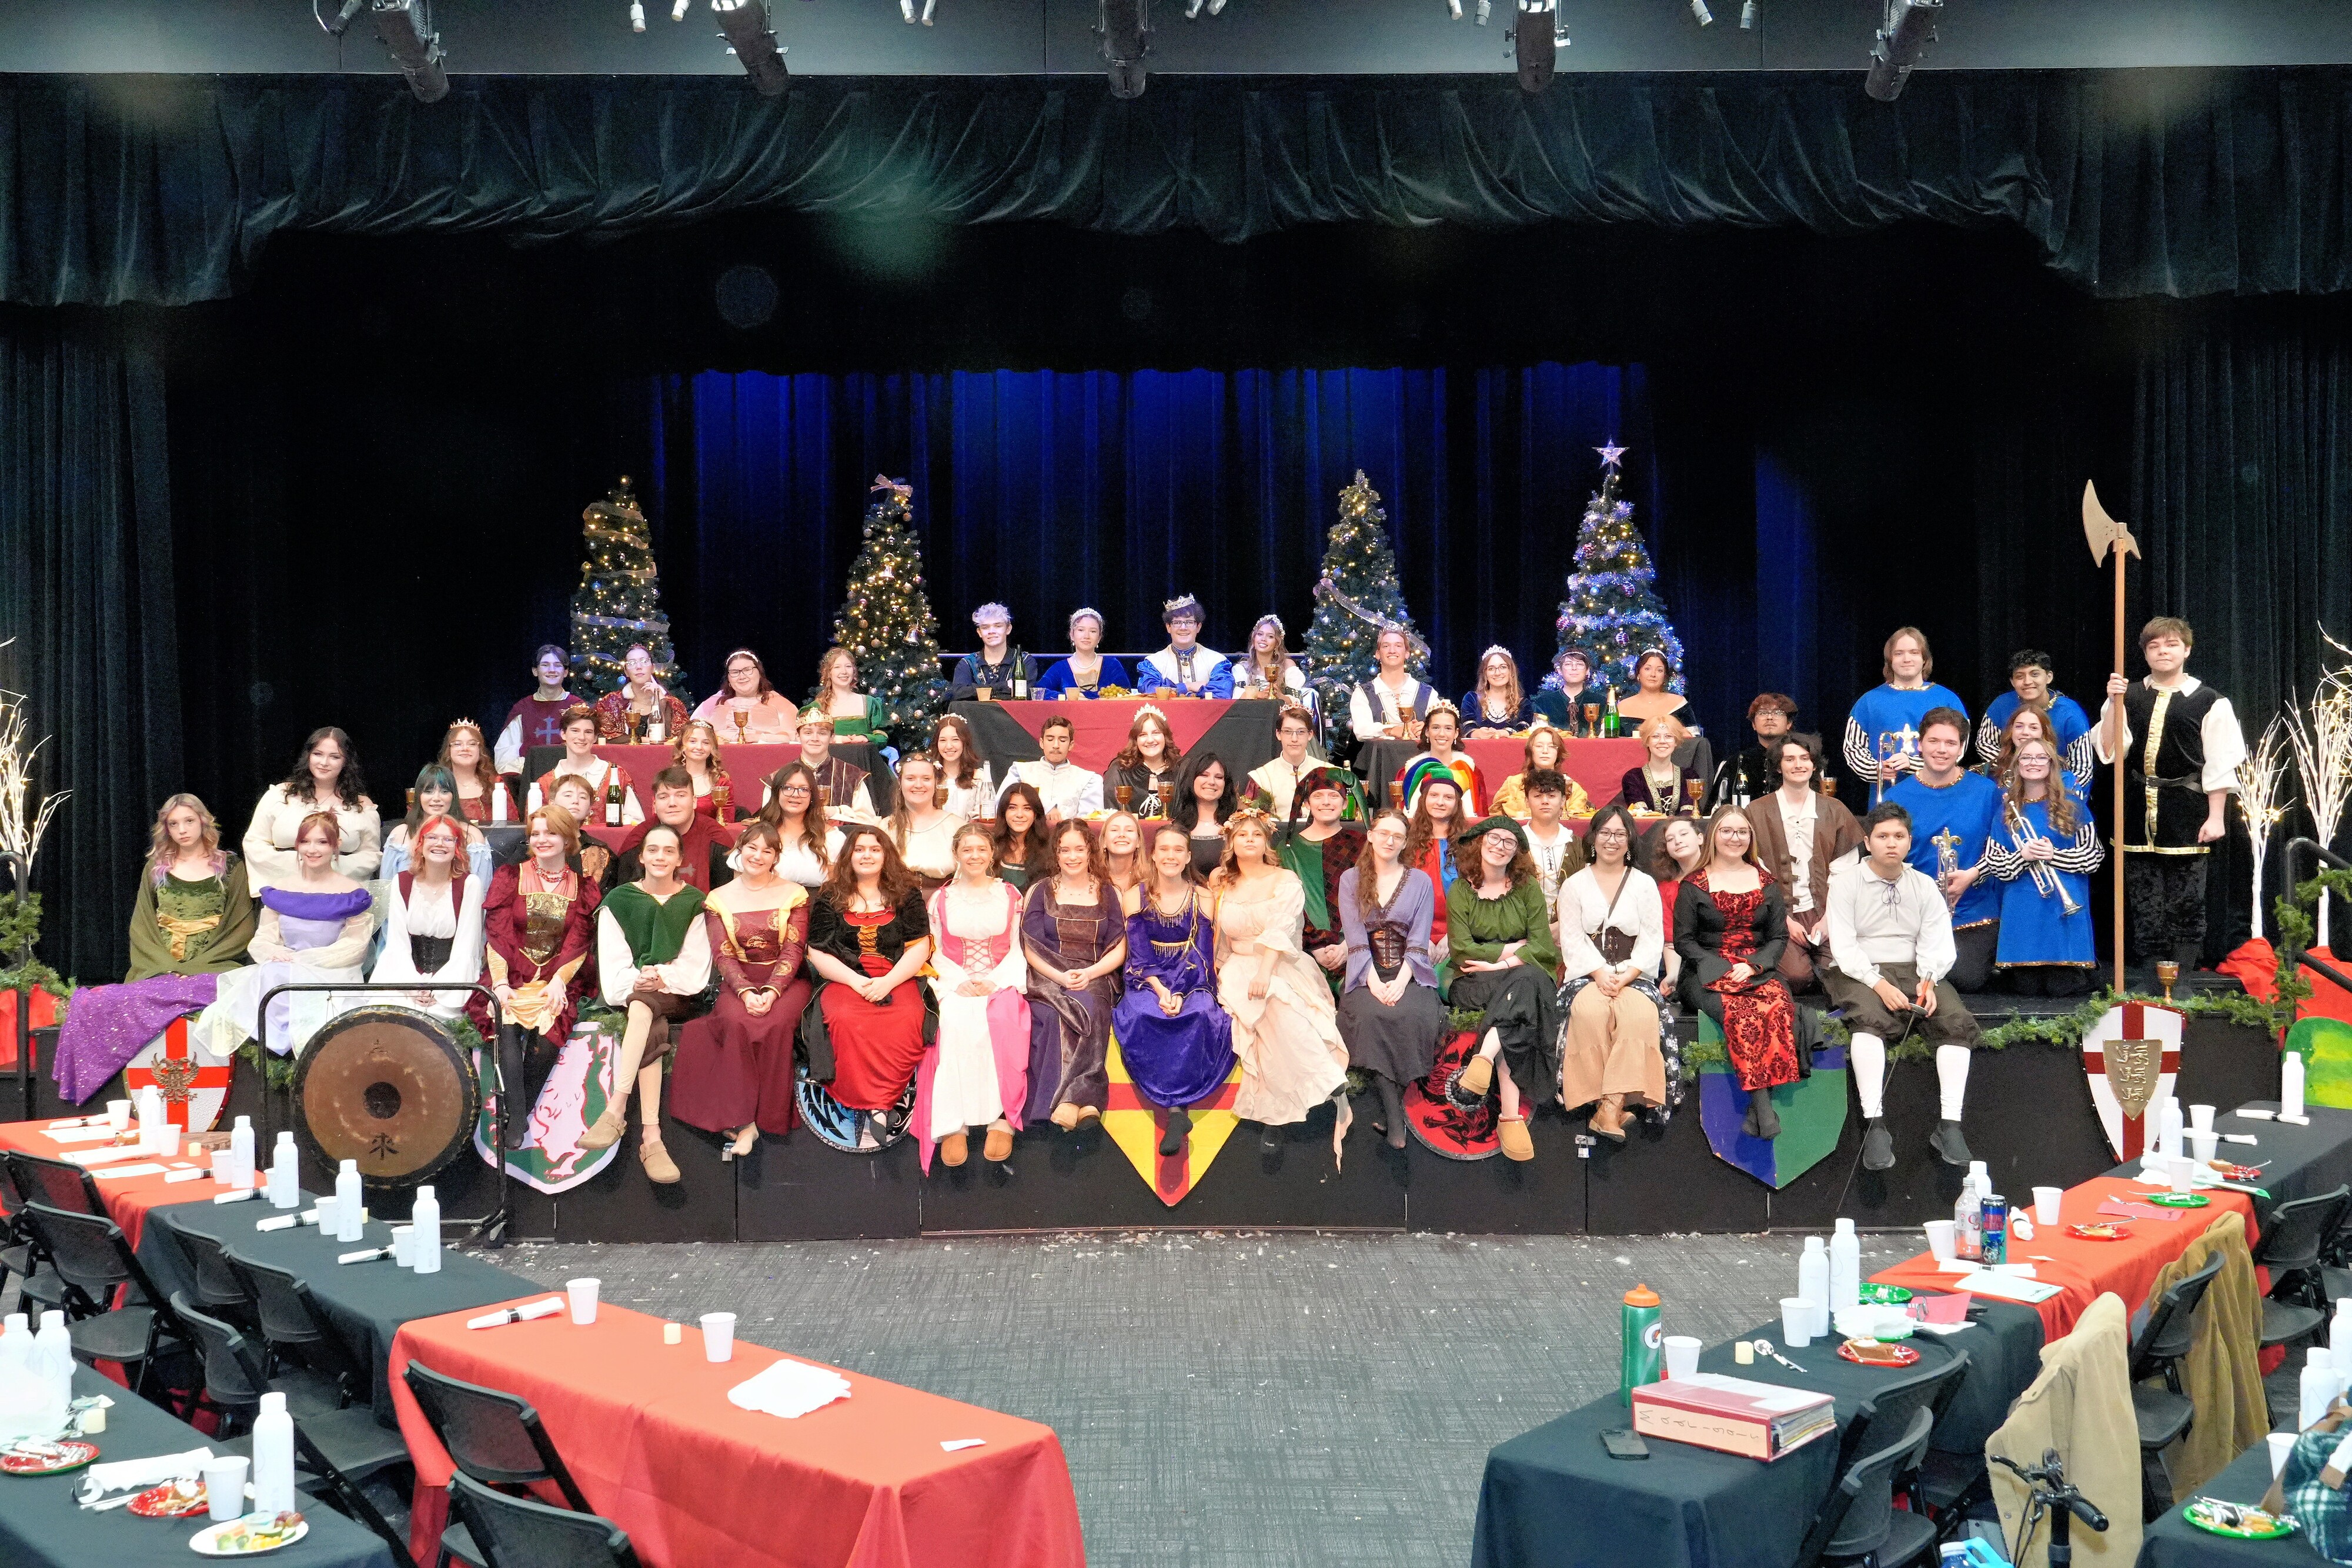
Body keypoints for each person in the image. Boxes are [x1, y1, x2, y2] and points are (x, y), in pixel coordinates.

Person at [1823, 802, 1983, 1169]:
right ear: (1868, 841)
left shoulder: (1923, 885)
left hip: (1915, 969)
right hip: (1860, 970)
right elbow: (1845, 947)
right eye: (1882, 837)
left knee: (1954, 1020)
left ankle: (1950, 1125)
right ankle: (1874, 1125)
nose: (1891, 844)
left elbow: (1937, 941)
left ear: (1910, 841)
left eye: (1899, 836)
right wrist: (1879, 985)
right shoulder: (1847, 884)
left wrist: (1927, 981)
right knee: (1868, 1022)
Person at [2099, 616, 2247, 962]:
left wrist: (2216, 817)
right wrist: (2113, 705)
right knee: (2144, 901)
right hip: (2137, 809)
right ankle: (2151, 973)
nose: (2162, 651)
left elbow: (2220, 762)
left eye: (2171, 645)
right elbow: (2110, 751)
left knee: (2187, 900)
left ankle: (2181, 978)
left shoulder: (2209, 700)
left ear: (2187, 650)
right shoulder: (2128, 694)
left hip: (2186, 810)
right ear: (2145, 653)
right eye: (2154, 646)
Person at [669, 821, 811, 1160]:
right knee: (735, 1023)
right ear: (739, 850)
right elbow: (722, 953)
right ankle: (743, 1121)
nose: (758, 855)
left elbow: (794, 949)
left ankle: (770, 1117)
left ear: (777, 857)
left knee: (776, 1024)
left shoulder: (795, 893)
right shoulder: (718, 899)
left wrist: (773, 991)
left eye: (767, 850)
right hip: (738, 981)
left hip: (788, 980)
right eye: (752, 847)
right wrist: (747, 992)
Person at [1211, 810, 1349, 1149]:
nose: (1248, 840)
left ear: (1266, 842)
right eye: (1241, 834)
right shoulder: (1221, 880)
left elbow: (1283, 927)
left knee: (1273, 997)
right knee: (1259, 1012)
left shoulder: (1284, 879)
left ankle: (1303, 1094)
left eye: (1256, 835)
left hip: (1278, 962)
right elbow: (1217, 932)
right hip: (1236, 963)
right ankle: (1315, 1084)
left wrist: (1264, 971)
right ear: (1231, 841)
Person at [469, 804, 600, 1148]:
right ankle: (519, 1114)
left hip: (560, 976)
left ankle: (515, 1114)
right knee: (505, 1020)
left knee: (549, 1029)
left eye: (551, 832)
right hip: (511, 971)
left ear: (568, 838)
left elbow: (580, 940)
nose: (542, 840)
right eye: (536, 833)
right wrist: (499, 983)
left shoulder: (584, 887)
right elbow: (497, 932)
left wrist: (560, 980)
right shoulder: (509, 877)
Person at [582, 824, 708, 1183]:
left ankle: (615, 1110)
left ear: (680, 859)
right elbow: (613, 963)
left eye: (669, 851)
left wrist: (662, 978)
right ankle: (651, 1137)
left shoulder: (693, 902)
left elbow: (695, 965)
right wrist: (638, 981)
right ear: (641, 856)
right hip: (634, 990)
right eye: (653, 850)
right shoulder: (619, 901)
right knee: (643, 1011)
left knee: (644, 1007)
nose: (660, 857)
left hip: (680, 993)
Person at [199, 813, 375, 1058]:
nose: (312, 849)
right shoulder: (281, 890)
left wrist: (304, 961)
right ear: (298, 845)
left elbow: (355, 947)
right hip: (284, 969)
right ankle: (273, 1051)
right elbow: (263, 939)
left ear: (335, 846)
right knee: (267, 979)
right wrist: (275, 953)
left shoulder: (353, 894)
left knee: (280, 979)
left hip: (332, 972)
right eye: (306, 842)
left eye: (322, 842)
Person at [803, 824, 936, 1146]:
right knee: (845, 1020)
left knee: (907, 1019)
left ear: (886, 855)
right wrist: (856, 981)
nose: (867, 855)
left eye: (875, 849)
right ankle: (862, 1101)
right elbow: (817, 950)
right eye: (860, 849)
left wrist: (889, 981)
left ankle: (883, 1101)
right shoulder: (830, 896)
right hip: (845, 978)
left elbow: (919, 945)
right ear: (849, 855)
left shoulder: (907, 894)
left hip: (899, 976)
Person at [1674, 806, 1801, 1139]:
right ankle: (1762, 1106)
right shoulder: (1693, 885)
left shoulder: (1767, 882)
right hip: (1706, 969)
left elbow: (1778, 937)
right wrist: (1723, 969)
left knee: (1778, 1005)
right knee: (1741, 1011)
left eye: (1742, 832)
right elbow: (1684, 941)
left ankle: (1756, 1109)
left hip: (1756, 967)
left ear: (1751, 838)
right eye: (1727, 831)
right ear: (1713, 835)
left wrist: (1753, 965)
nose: (1735, 838)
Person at [1444, 817, 1563, 1163]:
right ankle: (1510, 1117)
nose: (1500, 846)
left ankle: (1483, 1061)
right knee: (1529, 991)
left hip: (1510, 977)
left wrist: (1500, 963)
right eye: (1495, 838)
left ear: (1517, 853)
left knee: (1528, 983)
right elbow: (1463, 950)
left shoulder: (1527, 889)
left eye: (1509, 843)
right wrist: (1515, 949)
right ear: (1480, 842)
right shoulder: (1462, 890)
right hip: (1471, 981)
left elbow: (1543, 946)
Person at [1113, 823, 1237, 1157]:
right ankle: (1178, 1114)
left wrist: (1181, 992)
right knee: (1143, 1014)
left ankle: (1176, 1111)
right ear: (1153, 855)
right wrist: (1158, 989)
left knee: (1200, 1014)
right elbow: (1138, 952)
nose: (1171, 855)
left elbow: (1201, 952)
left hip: (1192, 978)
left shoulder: (1203, 897)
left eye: (1178, 850)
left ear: (1188, 857)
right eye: (1164, 849)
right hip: (1146, 978)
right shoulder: (1133, 895)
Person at [1556, 804, 1673, 1144]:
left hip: (1633, 972)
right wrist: (1597, 972)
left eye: (1620, 834)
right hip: (1587, 972)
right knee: (1589, 1011)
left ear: (1630, 841)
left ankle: (1610, 1107)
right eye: (1605, 833)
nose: (1612, 840)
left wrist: (1629, 973)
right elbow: (1572, 938)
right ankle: (1608, 1106)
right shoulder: (1574, 885)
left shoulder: (1644, 884)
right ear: (1592, 837)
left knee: (1639, 1014)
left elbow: (1654, 937)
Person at [922, 823, 1032, 1168]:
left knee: (1000, 1021)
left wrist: (997, 982)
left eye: (981, 849)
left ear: (992, 854)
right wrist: (957, 982)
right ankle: (956, 1123)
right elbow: (934, 950)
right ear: (956, 854)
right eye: (967, 850)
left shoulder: (1010, 895)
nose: (975, 856)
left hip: (1000, 979)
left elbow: (1018, 946)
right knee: (954, 1023)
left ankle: (1001, 1118)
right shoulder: (942, 898)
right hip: (956, 981)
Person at [1335, 810, 1444, 1150]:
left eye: (1398, 836)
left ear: (1405, 842)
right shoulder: (1351, 879)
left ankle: (1394, 1118)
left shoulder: (1420, 882)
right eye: (1384, 833)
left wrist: (1400, 981)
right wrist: (1374, 982)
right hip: (1365, 971)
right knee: (1369, 1015)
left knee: (1416, 1013)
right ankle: (1396, 1120)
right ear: (1371, 835)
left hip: (1408, 972)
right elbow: (1354, 939)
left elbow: (1419, 938)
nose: (1390, 840)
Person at [1884, 707, 2004, 992]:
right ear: (1920, 744)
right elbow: (1885, 857)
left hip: (1971, 909)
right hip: (1912, 910)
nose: (1941, 750)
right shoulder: (1897, 796)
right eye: (1934, 741)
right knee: (1908, 977)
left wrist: (1974, 875)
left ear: (1962, 748)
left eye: (1951, 743)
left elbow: (2002, 850)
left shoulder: (1987, 792)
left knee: (1966, 978)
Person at [1023, 818, 1128, 1130]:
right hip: (1048, 974)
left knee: (1091, 1005)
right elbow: (1029, 946)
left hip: (1096, 973)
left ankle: (1071, 1101)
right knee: (1054, 1016)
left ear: (1090, 851)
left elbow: (1119, 947)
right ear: (1056, 853)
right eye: (1065, 850)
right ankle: (1083, 1101)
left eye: (1079, 849)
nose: (1072, 856)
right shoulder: (1040, 891)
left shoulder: (1109, 892)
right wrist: (1059, 976)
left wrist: (1091, 972)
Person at [1984, 737, 2103, 993]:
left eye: (2041, 758)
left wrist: (2054, 855)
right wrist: (2023, 856)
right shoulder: (2006, 812)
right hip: (2023, 914)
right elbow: (1995, 863)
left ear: (2052, 764)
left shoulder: (2074, 806)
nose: (2033, 763)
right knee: (2027, 990)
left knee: (2061, 988)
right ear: (2017, 765)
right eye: (2026, 758)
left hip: (2064, 911)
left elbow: (2094, 856)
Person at [1744, 735, 1863, 992]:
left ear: (1814, 765)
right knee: (1797, 978)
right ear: (1779, 766)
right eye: (1790, 759)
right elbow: (1755, 872)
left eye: (1805, 759)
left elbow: (1847, 873)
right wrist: (1786, 921)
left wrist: (1829, 919)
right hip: (1779, 913)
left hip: (1828, 910)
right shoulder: (1757, 811)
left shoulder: (1835, 809)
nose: (1798, 765)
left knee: (1842, 973)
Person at [367, 814, 487, 1022]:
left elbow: (466, 948)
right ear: (420, 844)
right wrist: (412, 987)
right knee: (384, 1018)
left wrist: (437, 990)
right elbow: (397, 943)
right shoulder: (401, 882)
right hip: (407, 978)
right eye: (432, 838)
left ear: (457, 848)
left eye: (449, 839)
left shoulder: (470, 884)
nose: (440, 844)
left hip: (452, 983)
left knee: (438, 1023)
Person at [128, 794, 257, 979]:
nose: (182, 830)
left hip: (214, 967)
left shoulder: (230, 868)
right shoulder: (155, 869)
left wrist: (194, 970)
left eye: (189, 821)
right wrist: (167, 969)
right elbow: (142, 927)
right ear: (167, 829)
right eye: (173, 824)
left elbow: (241, 928)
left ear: (203, 821)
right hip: (160, 969)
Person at [243, 727, 382, 888]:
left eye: (335, 757)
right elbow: (254, 843)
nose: (324, 763)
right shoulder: (280, 796)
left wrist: (327, 866)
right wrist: (302, 865)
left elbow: (371, 855)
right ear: (308, 756)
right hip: (282, 890)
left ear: (346, 762)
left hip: (338, 894)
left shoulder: (361, 806)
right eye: (318, 754)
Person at [1845, 627, 1970, 797]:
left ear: (1925, 659)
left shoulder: (1948, 699)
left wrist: (1912, 764)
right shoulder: (1869, 701)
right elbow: (1853, 749)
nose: (1907, 659)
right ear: (1889, 660)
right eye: (1899, 653)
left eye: (1914, 652)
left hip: (1938, 793)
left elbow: (1959, 748)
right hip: (1889, 794)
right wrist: (1877, 769)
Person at [1275, 768, 1365, 999]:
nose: (1326, 802)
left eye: (1334, 796)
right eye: (1318, 796)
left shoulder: (1362, 845)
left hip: (1355, 947)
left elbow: (1370, 897)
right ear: (1306, 803)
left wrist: (1348, 945)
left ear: (1345, 803)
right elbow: (1289, 906)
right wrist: (1315, 947)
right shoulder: (1289, 851)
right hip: (1307, 951)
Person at [607, 767, 733, 892]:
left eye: (681, 795)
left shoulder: (716, 840)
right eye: (663, 797)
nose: (672, 803)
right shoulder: (638, 841)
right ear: (654, 805)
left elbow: (725, 897)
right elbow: (626, 896)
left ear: (694, 802)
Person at [1978, 648, 2095, 782]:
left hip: (2057, 789)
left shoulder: (2071, 714)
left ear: (2049, 677)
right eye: (2020, 676)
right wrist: (2016, 767)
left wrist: (2057, 791)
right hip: (2009, 785)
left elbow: (2083, 769)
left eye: (2035, 674)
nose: (2027, 681)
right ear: (2012, 682)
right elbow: (1984, 743)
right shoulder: (2001, 705)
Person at [527, 706, 641, 825]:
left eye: (588, 732)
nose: (581, 738)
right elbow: (534, 826)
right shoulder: (545, 782)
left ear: (595, 737)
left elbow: (636, 822)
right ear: (563, 734)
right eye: (575, 731)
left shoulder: (616, 775)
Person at [380, 767, 493, 884]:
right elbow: (387, 888)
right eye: (429, 792)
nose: (436, 798)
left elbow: (481, 890)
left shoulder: (471, 836)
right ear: (419, 796)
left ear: (453, 796)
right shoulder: (400, 834)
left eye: (444, 792)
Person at [997, 713, 1104, 821]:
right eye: (1050, 739)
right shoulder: (1020, 772)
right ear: (1042, 743)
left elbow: (1091, 821)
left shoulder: (1088, 779)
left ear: (1071, 745)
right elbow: (1001, 807)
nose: (1056, 745)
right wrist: (1047, 808)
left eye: (1062, 740)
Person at [1402, 774, 1465, 955]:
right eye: (1434, 795)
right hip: (1412, 932)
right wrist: (1419, 937)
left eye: (1448, 797)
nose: (1440, 802)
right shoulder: (1406, 844)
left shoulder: (1469, 845)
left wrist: (1454, 935)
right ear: (1424, 800)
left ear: (1457, 804)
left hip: (1460, 932)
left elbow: (1477, 897)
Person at [757, 761, 843, 888]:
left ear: (812, 796)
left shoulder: (832, 839)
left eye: (804, 789)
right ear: (776, 793)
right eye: (788, 788)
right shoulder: (757, 836)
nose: (795, 795)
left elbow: (837, 891)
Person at [495, 644, 579, 773]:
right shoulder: (523, 709)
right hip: (530, 780)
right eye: (545, 665)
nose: (552, 670)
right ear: (535, 671)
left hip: (571, 778)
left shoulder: (577, 707)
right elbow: (505, 758)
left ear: (566, 672)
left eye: (558, 665)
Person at [886, 752, 965, 889]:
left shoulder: (957, 827)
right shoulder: (885, 828)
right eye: (910, 778)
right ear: (900, 782)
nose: (918, 785)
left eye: (926, 779)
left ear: (936, 783)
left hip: (943, 906)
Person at [1708, 694, 1798, 811]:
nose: (1770, 717)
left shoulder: (1803, 761)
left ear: (1789, 724)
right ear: (1753, 724)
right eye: (1763, 713)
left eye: (1778, 713)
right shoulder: (1735, 763)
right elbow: (1715, 810)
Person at [1518, 770, 1587, 923]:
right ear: (1527, 801)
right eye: (1537, 796)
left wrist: (1560, 928)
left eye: (1551, 796)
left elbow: (1586, 893)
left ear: (1563, 800)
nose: (1545, 801)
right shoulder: (1515, 843)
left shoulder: (1576, 845)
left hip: (1570, 930)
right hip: (1521, 933)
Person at [1396, 701, 1486, 816]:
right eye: (1436, 728)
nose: (1442, 734)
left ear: (1456, 733)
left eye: (1448, 728)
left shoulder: (1471, 773)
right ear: (1427, 732)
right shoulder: (1408, 773)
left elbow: (1481, 818)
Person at [1135, 594, 1232, 698]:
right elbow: (1149, 691)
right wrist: (1188, 687)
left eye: (1189, 622)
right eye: (1177, 622)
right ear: (1168, 627)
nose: (1183, 627)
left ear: (1198, 627)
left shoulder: (1216, 661)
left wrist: (1175, 691)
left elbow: (1223, 693)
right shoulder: (1154, 663)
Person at [1348, 625, 1434, 742]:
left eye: (1398, 646)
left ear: (1407, 653)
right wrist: (1392, 730)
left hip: (1420, 758)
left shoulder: (1427, 693)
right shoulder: (1363, 693)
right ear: (1378, 654)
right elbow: (1362, 730)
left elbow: (1444, 724)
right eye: (1386, 646)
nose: (1392, 651)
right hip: (1380, 759)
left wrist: (1428, 729)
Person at [693, 648, 799, 744]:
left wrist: (761, 737)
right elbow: (692, 733)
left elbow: (795, 737)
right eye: (735, 672)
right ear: (729, 680)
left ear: (760, 674)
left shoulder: (778, 702)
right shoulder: (715, 702)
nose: (742, 676)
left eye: (748, 670)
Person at [1489, 723, 1592, 821]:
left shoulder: (1572, 788)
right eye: (1539, 746)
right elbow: (1494, 817)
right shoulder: (1512, 784)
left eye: (1552, 746)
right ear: (1530, 751)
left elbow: (1576, 824)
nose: (1545, 751)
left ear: (1558, 752)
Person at [1245, 704, 1327, 825]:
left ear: (1310, 735)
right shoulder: (1262, 778)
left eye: (1301, 732)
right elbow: (1252, 821)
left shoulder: (1328, 771)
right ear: (1278, 734)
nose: (1294, 739)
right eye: (1288, 732)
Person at [1650, 816, 1706, 994]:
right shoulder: (1666, 888)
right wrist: (1673, 975)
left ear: (1700, 838)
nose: (1678, 841)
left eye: (1683, 834)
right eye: (1670, 839)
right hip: (1689, 961)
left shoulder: (1721, 874)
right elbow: (1670, 941)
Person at [594, 644, 689, 743]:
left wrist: (662, 701)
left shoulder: (674, 705)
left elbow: (679, 738)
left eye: (644, 661)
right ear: (626, 671)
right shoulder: (611, 702)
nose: (639, 667)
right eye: (632, 663)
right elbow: (601, 736)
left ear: (652, 668)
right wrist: (640, 740)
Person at [1172, 750, 1241, 881]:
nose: (1212, 782)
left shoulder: (1239, 824)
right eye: (1204, 775)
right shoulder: (1177, 827)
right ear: (1191, 780)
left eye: (1219, 777)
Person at [1035, 607, 1131, 700]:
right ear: (1072, 635)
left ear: (1099, 637)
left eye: (1093, 631)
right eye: (1081, 630)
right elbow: (1038, 692)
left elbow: (1127, 694)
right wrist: (1066, 697)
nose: (1087, 636)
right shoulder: (1060, 668)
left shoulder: (1112, 666)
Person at [948, 603, 1036, 700]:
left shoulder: (1024, 661)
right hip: (976, 715)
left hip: (1012, 715)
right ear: (979, 632)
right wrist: (1005, 686)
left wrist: (976, 691)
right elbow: (959, 693)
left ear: (1008, 629)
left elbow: (1027, 693)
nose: (991, 631)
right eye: (985, 627)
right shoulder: (967, 663)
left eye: (998, 626)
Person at [1107, 706, 1184, 817]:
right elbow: (1112, 812)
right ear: (1135, 740)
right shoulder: (1120, 770)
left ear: (1165, 737)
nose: (1150, 740)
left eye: (1156, 733)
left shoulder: (1181, 769)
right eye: (1143, 735)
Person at [1620, 716, 1702, 818]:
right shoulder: (1633, 778)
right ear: (1647, 741)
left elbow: (1688, 814)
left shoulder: (1689, 776)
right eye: (1655, 736)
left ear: (1676, 741)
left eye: (1668, 736)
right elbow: (1641, 816)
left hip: (1681, 832)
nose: (1662, 741)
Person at [437, 721, 517, 825]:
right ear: (449, 750)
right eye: (457, 744)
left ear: (480, 751)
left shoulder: (495, 783)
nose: (465, 748)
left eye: (472, 744)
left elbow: (513, 824)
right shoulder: (438, 783)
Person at [670, 720, 740, 827]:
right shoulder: (668, 780)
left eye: (706, 743)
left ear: (712, 748)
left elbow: (726, 824)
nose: (699, 747)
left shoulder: (721, 783)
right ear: (682, 745)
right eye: (693, 741)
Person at [546, 776, 614, 885]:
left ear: (590, 809)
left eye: (583, 797)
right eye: (568, 795)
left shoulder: (600, 851)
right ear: (552, 804)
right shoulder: (538, 844)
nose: (575, 801)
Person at [809, 647, 887, 742]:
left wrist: (866, 738)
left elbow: (882, 737)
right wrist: (836, 739)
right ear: (829, 672)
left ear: (853, 670)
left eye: (848, 666)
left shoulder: (870, 703)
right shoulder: (817, 708)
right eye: (837, 667)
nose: (844, 672)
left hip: (861, 756)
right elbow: (808, 738)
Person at [1235, 614, 1312, 707]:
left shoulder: (1287, 666)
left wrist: (1280, 696)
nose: (1263, 639)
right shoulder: (1242, 668)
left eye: (1270, 637)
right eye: (1260, 634)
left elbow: (1297, 703)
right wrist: (1260, 695)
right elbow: (1235, 699)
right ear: (1254, 638)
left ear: (1277, 643)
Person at [929, 714, 998, 818]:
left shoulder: (979, 778)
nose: (949, 746)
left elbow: (983, 815)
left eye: (955, 740)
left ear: (964, 742)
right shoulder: (929, 776)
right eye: (943, 740)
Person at [1460, 647, 1537, 737]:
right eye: (1491, 669)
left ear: (1511, 672)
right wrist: (1477, 733)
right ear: (1485, 674)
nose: (1497, 673)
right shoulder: (1471, 699)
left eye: (1503, 667)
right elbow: (1467, 727)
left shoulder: (1523, 704)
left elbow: (1523, 730)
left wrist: (1502, 733)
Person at [990, 781, 1053, 890]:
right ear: (1003, 812)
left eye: (1027, 808)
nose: (1020, 815)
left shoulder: (1049, 848)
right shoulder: (990, 846)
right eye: (1012, 808)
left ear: (1036, 814)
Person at [1531, 647, 1601, 734]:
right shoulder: (1544, 703)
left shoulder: (1601, 702)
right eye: (1568, 664)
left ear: (1587, 671)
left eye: (1580, 664)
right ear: (1560, 671)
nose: (1574, 668)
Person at [1615, 650, 1692, 727]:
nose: (1653, 674)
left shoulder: (1679, 704)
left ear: (1665, 676)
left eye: (1659, 670)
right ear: (1638, 673)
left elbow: (1694, 737)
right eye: (1648, 669)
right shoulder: (1621, 708)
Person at [1100, 811, 1148, 902]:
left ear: (1139, 842)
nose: (1122, 835)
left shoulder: (1151, 879)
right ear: (1104, 842)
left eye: (1129, 830)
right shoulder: (1093, 879)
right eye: (1114, 830)